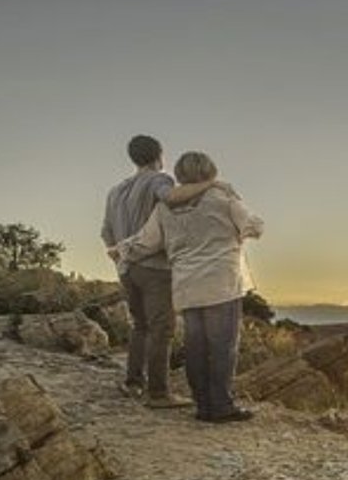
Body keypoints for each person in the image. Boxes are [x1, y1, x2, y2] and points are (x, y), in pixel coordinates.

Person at [110, 151, 263, 423]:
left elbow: (146, 242)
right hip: (221, 284)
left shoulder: (163, 209)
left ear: (180, 176)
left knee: (196, 346)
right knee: (222, 347)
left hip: (185, 286)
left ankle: (202, 405)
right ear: (210, 172)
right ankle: (221, 406)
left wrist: (121, 251)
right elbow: (254, 226)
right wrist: (235, 234)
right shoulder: (223, 198)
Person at [100, 135, 208, 408]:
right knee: (162, 328)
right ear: (159, 155)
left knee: (140, 326)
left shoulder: (115, 191)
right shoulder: (159, 180)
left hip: (126, 269)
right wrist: (209, 183)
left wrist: (121, 260)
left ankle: (133, 382)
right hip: (155, 268)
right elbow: (171, 198)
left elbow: (105, 233)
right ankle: (159, 394)